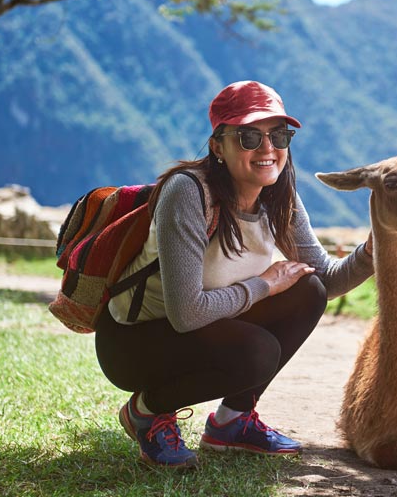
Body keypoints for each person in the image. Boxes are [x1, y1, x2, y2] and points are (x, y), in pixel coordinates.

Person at [94, 80, 374, 468]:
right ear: (217, 146)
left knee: (308, 289)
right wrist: (264, 285)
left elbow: (325, 279)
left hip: (204, 328)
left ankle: (232, 423)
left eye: (279, 135)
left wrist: (376, 250)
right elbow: (186, 313)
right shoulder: (188, 193)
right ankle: (148, 411)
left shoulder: (280, 197)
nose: (267, 149)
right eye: (248, 136)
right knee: (258, 352)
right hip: (135, 342)